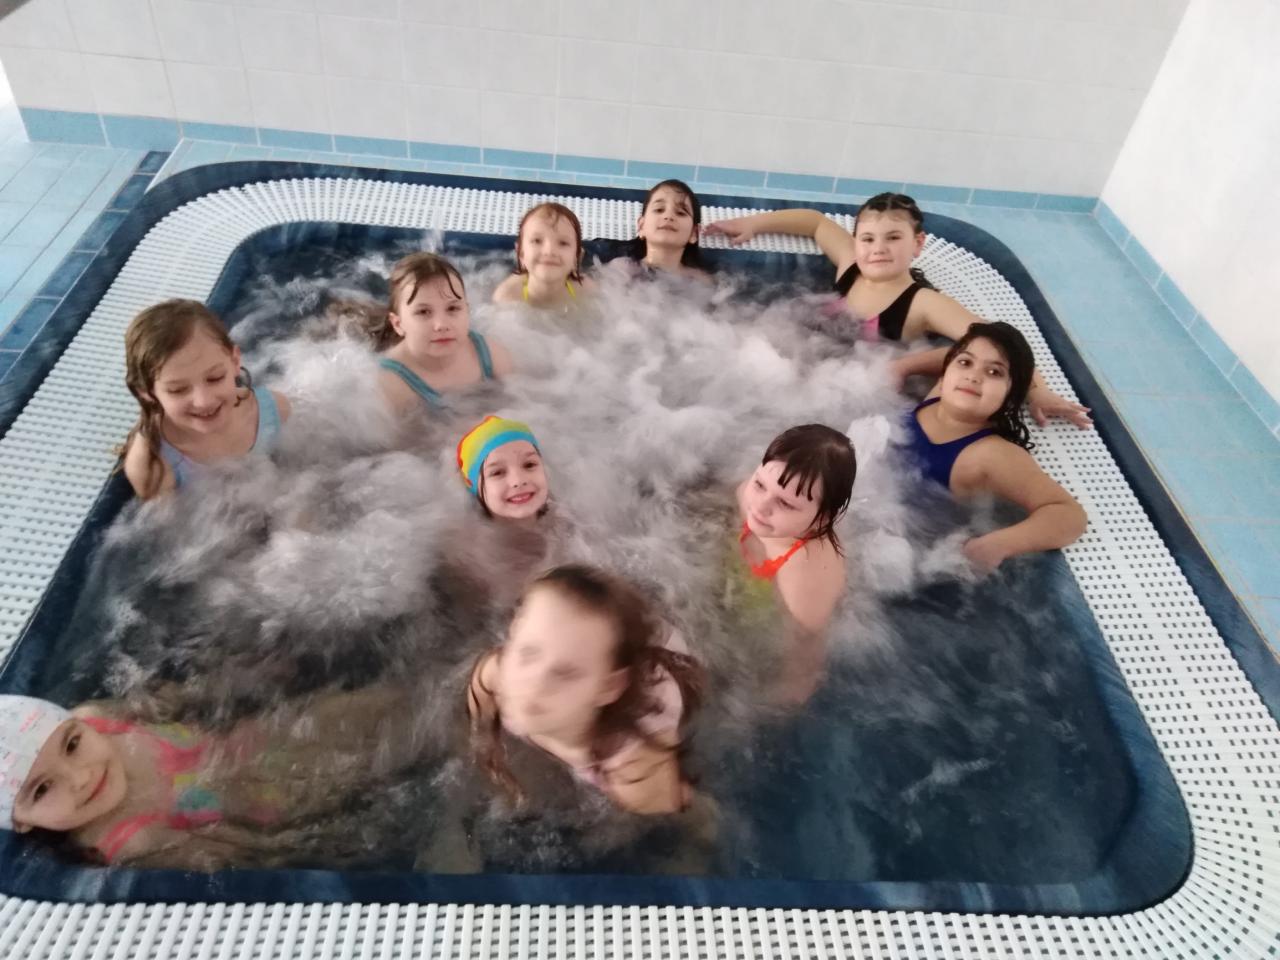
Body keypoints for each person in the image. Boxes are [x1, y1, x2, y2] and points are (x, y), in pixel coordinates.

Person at [705, 193, 1091, 428]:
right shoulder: (852, 267)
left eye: (893, 238)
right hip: (804, 364)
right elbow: (816, 223)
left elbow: (997, 341)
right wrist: (754, 223)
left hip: (852, 392)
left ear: (917, 244)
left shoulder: (922, 303)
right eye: (868, 238)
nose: (878, 248)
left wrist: (1038, 390)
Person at [0, 686, 426, 870]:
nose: (81, 776)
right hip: (280, 799)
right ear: (20, 821)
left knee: (398, 702)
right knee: (407, 748)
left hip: (259, 737)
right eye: (42, 788)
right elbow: (246, 851)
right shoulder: (130, 841)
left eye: (72, 744)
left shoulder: (97, 718)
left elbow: (172, 698)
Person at [467, 565, 703, 815]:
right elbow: (478, 729)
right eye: (528, 652)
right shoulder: (495, 675)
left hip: (659, 673)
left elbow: (679, 805)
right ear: (514, 634)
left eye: (566, 673)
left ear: (608, 688)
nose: (536, 683)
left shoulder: (635, 769)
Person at [895, 321, 1088, 572]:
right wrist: (903, 366)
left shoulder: (990, 455)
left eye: (994, 372)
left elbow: (1069, 514)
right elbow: (949, 354)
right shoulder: (938, 398)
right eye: (965, 363)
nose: (973, 376)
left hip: (910, 543)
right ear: (944, 376)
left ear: (1011, 397)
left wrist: (998, 544)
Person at [733, 424, 856, 703]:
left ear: (822, 519)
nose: (761, 506)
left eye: (786, 504)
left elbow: (805, 657)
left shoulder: (806, 573)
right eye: (760, 484)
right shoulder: (760, 495)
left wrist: (781, 701)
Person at [121, 299, 290, 499]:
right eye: (178, 390)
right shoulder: (154, 465)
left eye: (215, 378)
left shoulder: (274, 410)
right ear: (147, 392)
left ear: (235, 361)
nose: (204, 401)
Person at [371, 253, 512, 413]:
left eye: (452, 308)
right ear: (398, 324)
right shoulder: (392, 384)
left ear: (467, 311)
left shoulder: (490, 355)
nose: (441, 325)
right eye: (423, 312)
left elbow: (521, 404)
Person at [492, 202, 591, 309]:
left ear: (577, 257)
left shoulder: (586, 291)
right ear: (521, 253)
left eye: (563, 243)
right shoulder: (507, 297)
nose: (549, 251)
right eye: (537, 241)